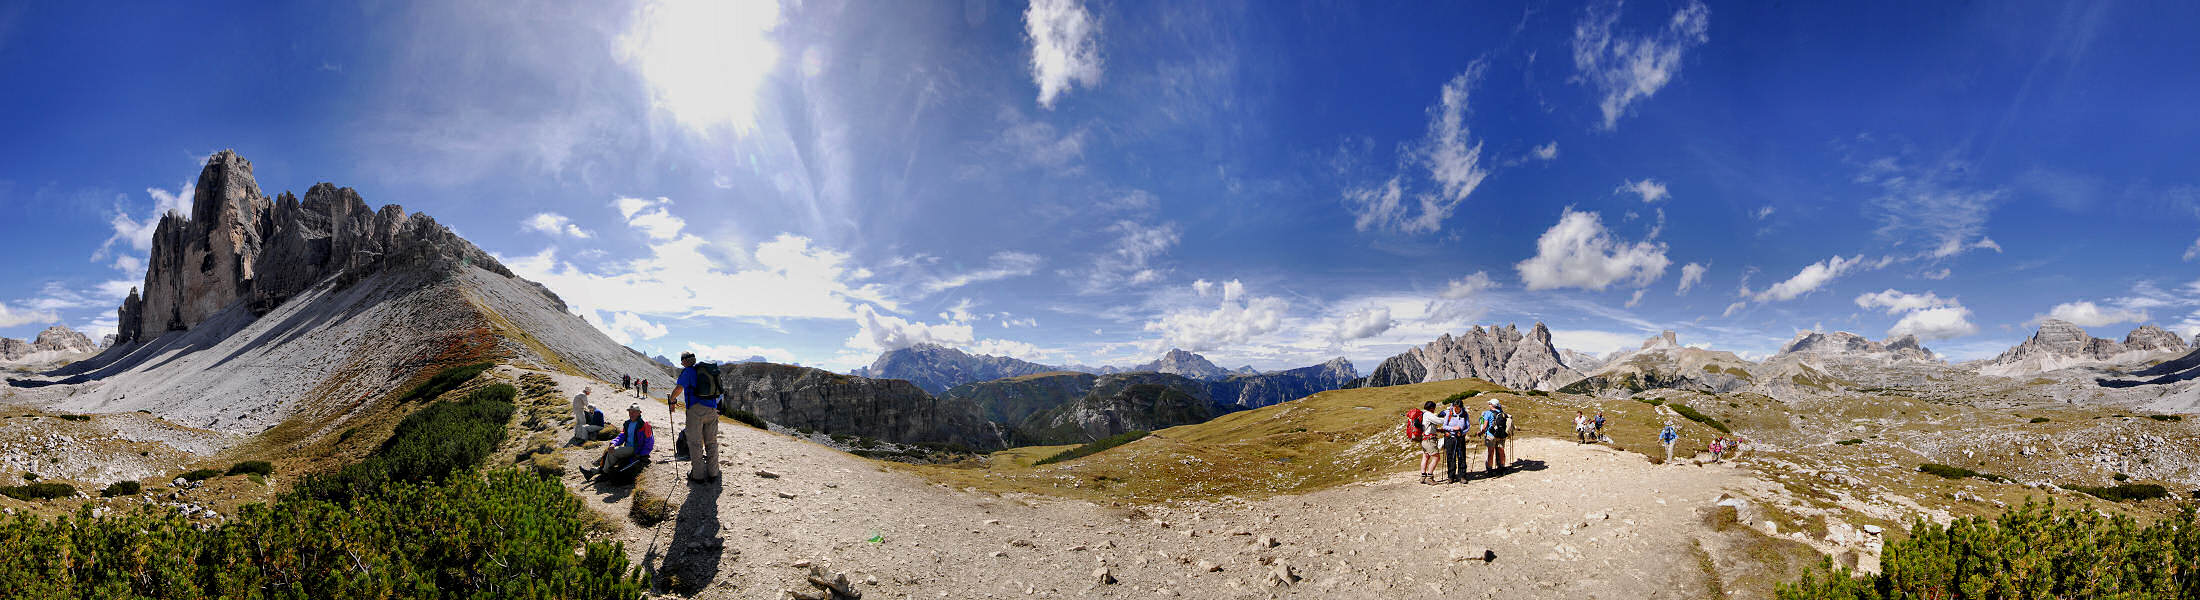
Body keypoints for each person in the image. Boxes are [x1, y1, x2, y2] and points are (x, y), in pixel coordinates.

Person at [665, 353, 723, 482]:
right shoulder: (703, 370)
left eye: (682, 361)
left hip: (696, 410)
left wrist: (672, 400)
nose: (682, 364)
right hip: (712, 409)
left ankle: (698, 475)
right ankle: (713, 472)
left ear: (685, 361)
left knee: (695, 442)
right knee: (711, 441)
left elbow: (679, 388)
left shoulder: (689, 372)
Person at [581, 404, 654, 480]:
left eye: (634, 412)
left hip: (636, 449)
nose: (631, 414)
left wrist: (642, 454)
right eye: (630, 412)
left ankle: (604, 473)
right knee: (609, 451)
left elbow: (649, 442)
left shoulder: (644, 424)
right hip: (627, 448)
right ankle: (592, 472)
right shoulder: (628, 423)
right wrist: (614, 443)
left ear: (639, 413)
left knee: (613, 452)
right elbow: (622, 436)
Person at [1409, 401, 1441, 485]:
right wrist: (1448, 418)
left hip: (1424, 439)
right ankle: (1429, 477)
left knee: (1425, 456)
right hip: (1430, 439)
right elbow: (1439, 421)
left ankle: (1423, 476)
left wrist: (1437, 430)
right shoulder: (1428, 414)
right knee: (1436, 458)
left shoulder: (1422, 414)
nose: (1434, 410)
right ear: (1431, 408)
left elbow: (1426, 426)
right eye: (1434, 408)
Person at [1440, 402, 1470, 483]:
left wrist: (1462, 432)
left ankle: (1462, 476)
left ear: (1461, 407)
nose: (1455, 409)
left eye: (1457, 408)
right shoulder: (1449, 414)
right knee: (1451, 456)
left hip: (1460, 438)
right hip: (1450, 438)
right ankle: (1451, 476)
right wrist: (1453, 428)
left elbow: (1468, 426)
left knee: (1462, 456)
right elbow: (1444, 426)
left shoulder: (1464, 414)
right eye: (1454, 407)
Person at [1478, 399, 1510, 474]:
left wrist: (1481, 432)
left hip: (1491, 435)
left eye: (1489, 403)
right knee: (1501, 451)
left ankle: (1489, 469)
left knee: (1490, 452)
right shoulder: (1501, 413)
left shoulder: (1488, 413)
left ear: (1492, 405)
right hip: (1501, 435)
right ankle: (1502, 467)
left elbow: (1485, 426)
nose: (1488, 404)